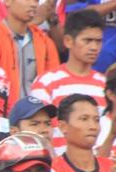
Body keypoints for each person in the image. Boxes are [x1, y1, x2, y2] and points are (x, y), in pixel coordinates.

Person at [30, 9, 106, 156]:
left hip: (102, 171)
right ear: (68, 41)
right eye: (87, 40)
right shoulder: (46, 82)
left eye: (98, 41)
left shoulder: (105, 86)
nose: (94, 47)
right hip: (58, 169)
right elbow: (39, 132)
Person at [0, 0, 60, 106]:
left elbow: (54, 85)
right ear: (7, 2)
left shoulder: (45, 42)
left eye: (36, 1)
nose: (33, 4)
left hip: (38, 115)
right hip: (3, 116)